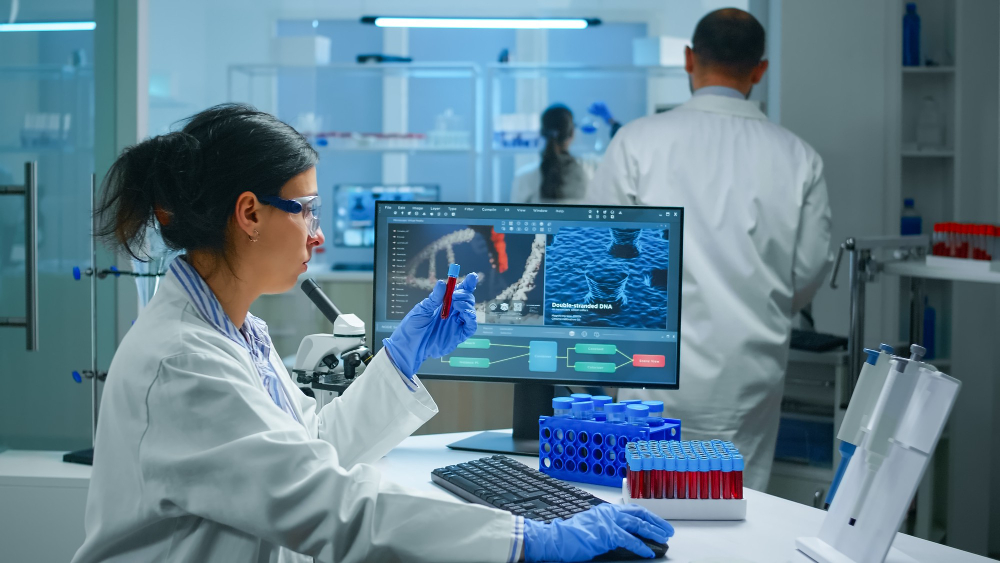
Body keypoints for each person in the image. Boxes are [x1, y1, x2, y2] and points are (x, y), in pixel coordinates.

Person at [72, 103, 672, 563]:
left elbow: (310, 446)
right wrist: (524, 539)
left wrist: (399, 362)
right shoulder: (183, 360)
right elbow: (330, 505)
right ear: (249, 213)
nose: (318, 234)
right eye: (306, 209)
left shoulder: (234, 331)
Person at [589, 9, 833, 491]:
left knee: (642, 507)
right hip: (748, 378)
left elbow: (602, 259)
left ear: (687, 59)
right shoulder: (798, 157)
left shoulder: (637, 142)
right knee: (737, 510)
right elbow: (806, 274)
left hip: (649, 373)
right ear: (759, 71)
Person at [511, 104, 600, 204]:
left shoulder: (525, 178)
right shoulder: (590, 170)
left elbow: (517, 216)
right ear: (572, 133)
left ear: (542, 133)